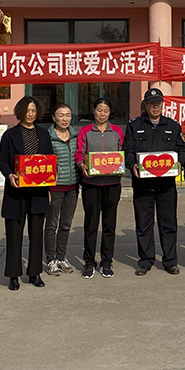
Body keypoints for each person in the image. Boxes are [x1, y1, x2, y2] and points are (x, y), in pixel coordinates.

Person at [123, 87, 185, 276]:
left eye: (158, 103)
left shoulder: (173, 126)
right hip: (142, 185)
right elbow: (127, 150)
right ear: (146, 105)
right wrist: (132, 164)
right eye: (152, 103)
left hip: (166, 186)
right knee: (143, 225)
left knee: (169, 224)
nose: (155, 106)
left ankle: (170, 261)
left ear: (162, 104)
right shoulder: (134, 125)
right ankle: (145, 261)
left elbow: (181, 149)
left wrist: (180, 163)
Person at [0, 96, 53, 289]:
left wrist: (48, 188)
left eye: (34, 110)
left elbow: (49, 161)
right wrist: (10, 175)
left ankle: (34, 273)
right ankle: (13, 275)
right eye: (27, 110)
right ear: (20, 112)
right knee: (14, 234)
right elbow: (2, 160)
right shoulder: (10, 135)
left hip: (38, 190)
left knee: (36, 234)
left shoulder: (44, 134)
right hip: (16, 190)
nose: (30, 114)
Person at [75, 97, 125, 279]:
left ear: (110, 113)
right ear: (93, 111)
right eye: (99, 110)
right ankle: (89, 262)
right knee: (91, 224)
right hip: (91, 185)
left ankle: (106, 262)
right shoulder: (85, 131)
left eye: (106, 111)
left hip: (112, 184)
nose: (102, 114)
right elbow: (79, 153)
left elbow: (123, 152)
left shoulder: (117, 131)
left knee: (109, 225)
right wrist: (82, 165)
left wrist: (121, 166)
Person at [45, 103, 79, 277]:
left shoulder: (76, 136)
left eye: (68, 115)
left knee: (66, 224)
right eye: (61, 115)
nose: (65, 119)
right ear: (54, 117)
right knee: (51, 224)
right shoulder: (47, 137)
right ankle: (51, 259)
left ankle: (61, 257)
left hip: (73, 187)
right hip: (55, 187)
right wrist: (47, 188)